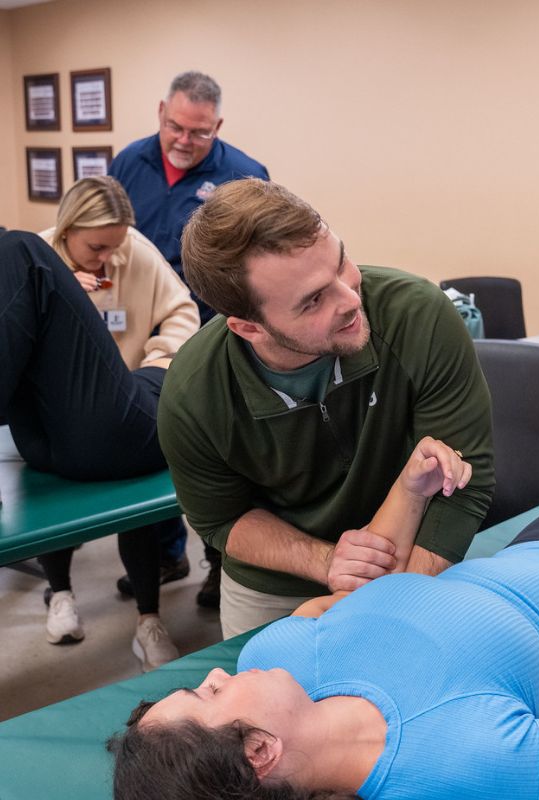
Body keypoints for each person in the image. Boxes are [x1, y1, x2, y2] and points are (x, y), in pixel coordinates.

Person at [110, 391, 539, 800]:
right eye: (209, 695)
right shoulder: (445, 761)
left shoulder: (282, 649)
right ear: (259, 751)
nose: (218, 672)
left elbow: (338, 606)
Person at [156, 179, 495, 638]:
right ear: (248, 327)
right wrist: (327, 561)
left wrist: (388, 608)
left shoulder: (419, 317)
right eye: (314, 299)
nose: (350, 298)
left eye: (341, 262)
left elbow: (464, 483)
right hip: (272, 587)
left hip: (413, 557)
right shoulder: (195, 391)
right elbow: (222, 519)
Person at [110, 70, 269, 605]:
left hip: (217, 339)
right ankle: (163, 553)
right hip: (144, 337)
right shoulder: (129, 163)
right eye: (175, 126)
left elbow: (261, 265)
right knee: (153, 446)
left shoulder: (245, 177)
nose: (184, 140)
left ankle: (221, 562)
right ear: (161, 112)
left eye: (198, 133)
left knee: (222, 454)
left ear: (217, 125)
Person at [30, 177, 199, 667]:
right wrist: (66, 295)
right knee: (56, 499)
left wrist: (158, 365)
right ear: (67, 229)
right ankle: (61, 596)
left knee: (136, 500)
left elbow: (182, 311)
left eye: (114, 247)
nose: (105, 259)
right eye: (96, 247)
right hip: (58, 412)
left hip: (125, 404)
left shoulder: (133, 250)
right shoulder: (38, 259)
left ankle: (149, 620)